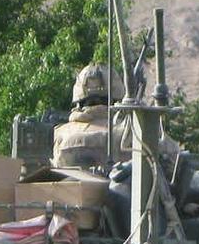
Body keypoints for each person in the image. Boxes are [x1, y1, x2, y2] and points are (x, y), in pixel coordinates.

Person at [51, 63, 181, 174]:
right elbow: (173, 160)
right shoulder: (137, 131)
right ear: (118, 96)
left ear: (78, 99)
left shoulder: (60, 134)